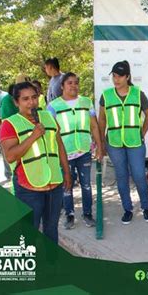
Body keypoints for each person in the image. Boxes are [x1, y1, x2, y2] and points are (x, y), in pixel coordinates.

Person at [0, 82, 72, 243]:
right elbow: (10, 156)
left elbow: (59, 145)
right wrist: (33, 136)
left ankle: (52, 264)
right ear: (16, 102)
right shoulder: (9, 124)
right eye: (25, 99)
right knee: (29, 231)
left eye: (34, 97)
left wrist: (66, 172)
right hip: (28, 188)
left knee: (51, 228)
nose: (31, 102)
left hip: (54, 184)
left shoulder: (49, 117)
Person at [98, 60, 148, 224]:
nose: (116, 79)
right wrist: (101, 144)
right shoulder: (106, 95)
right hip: (114, 144)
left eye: (120, 76)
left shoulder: (138, 93)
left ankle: (146, 208)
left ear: (127, 77)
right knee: (121, 177)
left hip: (135, 143)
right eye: (114, 76)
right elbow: (102, 120)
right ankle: (127, 209)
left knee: (139, 176)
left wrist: (142, 133)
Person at [48, 72, 103, 229]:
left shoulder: (86, 102)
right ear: (62, 86)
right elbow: (52, 131)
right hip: (65, 153)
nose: (73, 85)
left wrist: (99, 146)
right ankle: (69, 215)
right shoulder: (53, 106)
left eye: (76, 82)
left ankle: (87, 214)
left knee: (86, 185)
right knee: (67, 185)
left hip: (84, 151)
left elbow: (94, 125)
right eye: (70, 83)